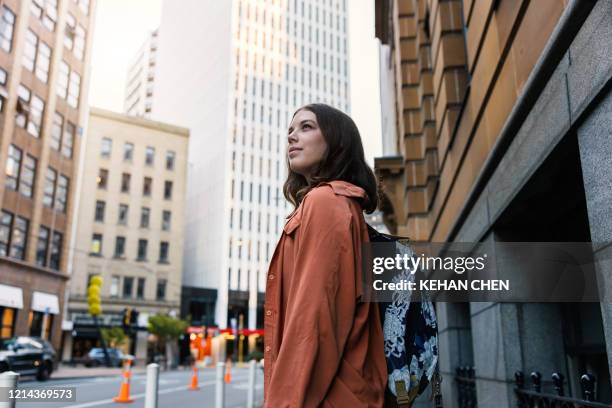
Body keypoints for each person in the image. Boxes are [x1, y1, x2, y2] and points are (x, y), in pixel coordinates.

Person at [263, 103, 387, 407]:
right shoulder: (333, 203)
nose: (292, 137)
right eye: (290, 130)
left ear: (337, 143)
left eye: (307, 127)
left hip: (330, 396)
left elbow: (314, 318)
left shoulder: (326, 203)